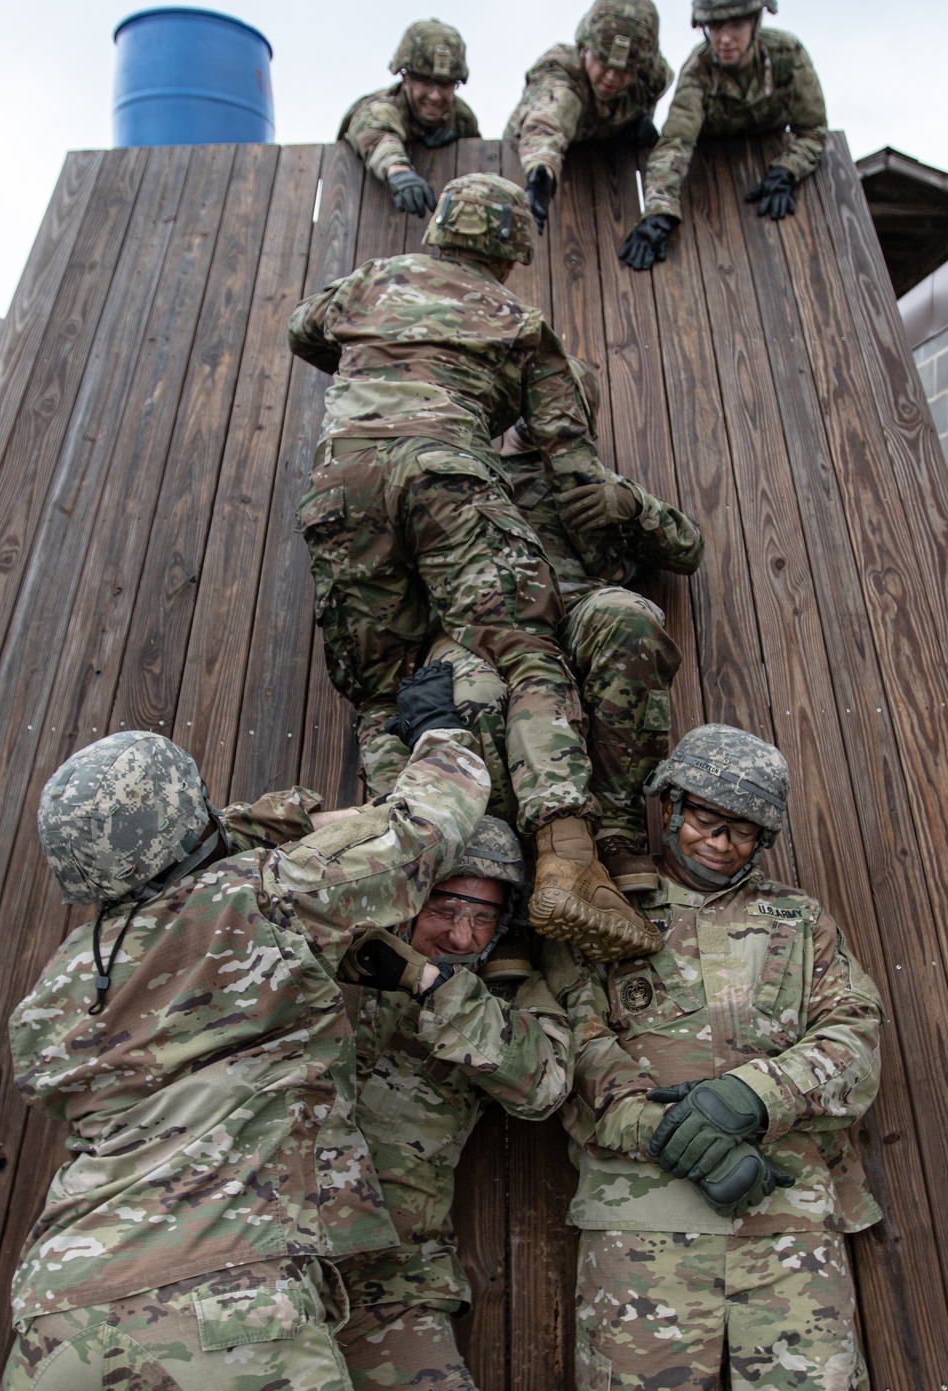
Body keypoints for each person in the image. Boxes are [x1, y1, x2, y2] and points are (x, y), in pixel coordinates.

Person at [1, 688, 492, 1391]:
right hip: (223, 1302)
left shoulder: (62, 981)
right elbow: (422, 833)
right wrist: (441, 732)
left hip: (56, 1317)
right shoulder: (257, 899)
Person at [289, 171, 662, 966]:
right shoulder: (519, 321)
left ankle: (405, 872)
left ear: (442, 229)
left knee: (382, 688)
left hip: (340, 484)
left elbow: (306, 331)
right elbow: (571, 456)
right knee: (524, 647)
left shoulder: (369, 284)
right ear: (508, 250)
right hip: (445, 471)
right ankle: (567, 853)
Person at [553, 724, 883, 1391]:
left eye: (745, 831)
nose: (722, 842)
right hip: (642, 1230)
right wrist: (672, 1131)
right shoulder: (598, 914)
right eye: (707, 818)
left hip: (787, 1226)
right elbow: (570, 1045)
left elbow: (855, 1038)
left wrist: (752, 1094)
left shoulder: (798, 919)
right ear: (670, 806)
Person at [358, 383, 704, 893]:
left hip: (572, 606)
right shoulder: (450, 468)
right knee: (472, 691)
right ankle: (502, 857)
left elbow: (687, 548)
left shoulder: (580, 477)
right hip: (477, 624)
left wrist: (631, 505)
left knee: (628, 617)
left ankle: (615, 829)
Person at [332, 816, 570, 1391]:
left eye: (483, 918)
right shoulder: (327, 950)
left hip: (390, 1285)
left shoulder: (500, 995)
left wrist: (432, 986)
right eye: (445, 909)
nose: (462, 937)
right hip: (259, 1264)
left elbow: (544, 1087)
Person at [620, 0, 828, 271]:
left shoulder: (788, 54)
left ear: (757, 19)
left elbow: (812, 130)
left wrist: (787, 170)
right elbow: (675, 143)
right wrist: (659, 212)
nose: (725, 38)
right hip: (711, 180)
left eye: (737, 24)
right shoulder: (698, 70)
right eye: (715, 26)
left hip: (768, 175)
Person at [505, 0, 673, 233]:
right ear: (585, 48)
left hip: (604, 176)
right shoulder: (562, 72)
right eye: (603, 61)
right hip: (532, 171)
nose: (612, 77)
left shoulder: (651, 78)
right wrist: (540, 173)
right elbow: (548, 120)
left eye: (625, 70)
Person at [339, 19, 480, 217]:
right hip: (362, 213)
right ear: (406, 79)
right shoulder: (382, 107)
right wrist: (398, 171)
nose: (435, 95)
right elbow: (375, 133)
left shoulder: (461, 119)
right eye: (426, 82)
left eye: (445, 84)